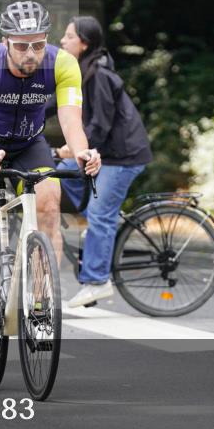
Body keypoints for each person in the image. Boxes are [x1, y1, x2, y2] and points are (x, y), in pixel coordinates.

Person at [0, 1, 101, 319]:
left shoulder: (63, 64)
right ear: (5, 41)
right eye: (21, 46)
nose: (31, 53)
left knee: (49, 202)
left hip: (29, 143)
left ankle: (40, 296)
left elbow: (71, 120)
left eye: (38, 44)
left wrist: (82, 152)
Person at [56, 16, 152, 308]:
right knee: (61, 173)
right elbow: (54, 105)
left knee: (99, 214)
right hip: (107, 154)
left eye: (69, 36)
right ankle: (102, 225)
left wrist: (75, 148)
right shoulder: (80, 71)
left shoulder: (97, 75)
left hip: (123, 157)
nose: (62, 41)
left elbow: (100, 125)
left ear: (84, 44)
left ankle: (97, 281)